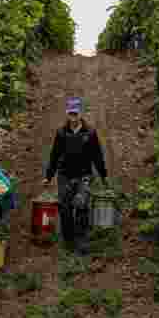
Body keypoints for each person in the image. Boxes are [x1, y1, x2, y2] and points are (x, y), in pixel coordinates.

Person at [43, 97, 109, 253]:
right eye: (71, 113)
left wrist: (103, 175)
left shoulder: (90, 133)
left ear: (81, 113)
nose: (73, 116)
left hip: (84, 175)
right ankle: (68, 240)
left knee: (81, 205)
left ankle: (82, 240)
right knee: (64, 208)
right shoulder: (61, 133)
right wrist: (48, 176)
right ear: (67, 113)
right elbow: (54, 155)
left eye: (76, 113)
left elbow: (97, 155)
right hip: (64, 174)